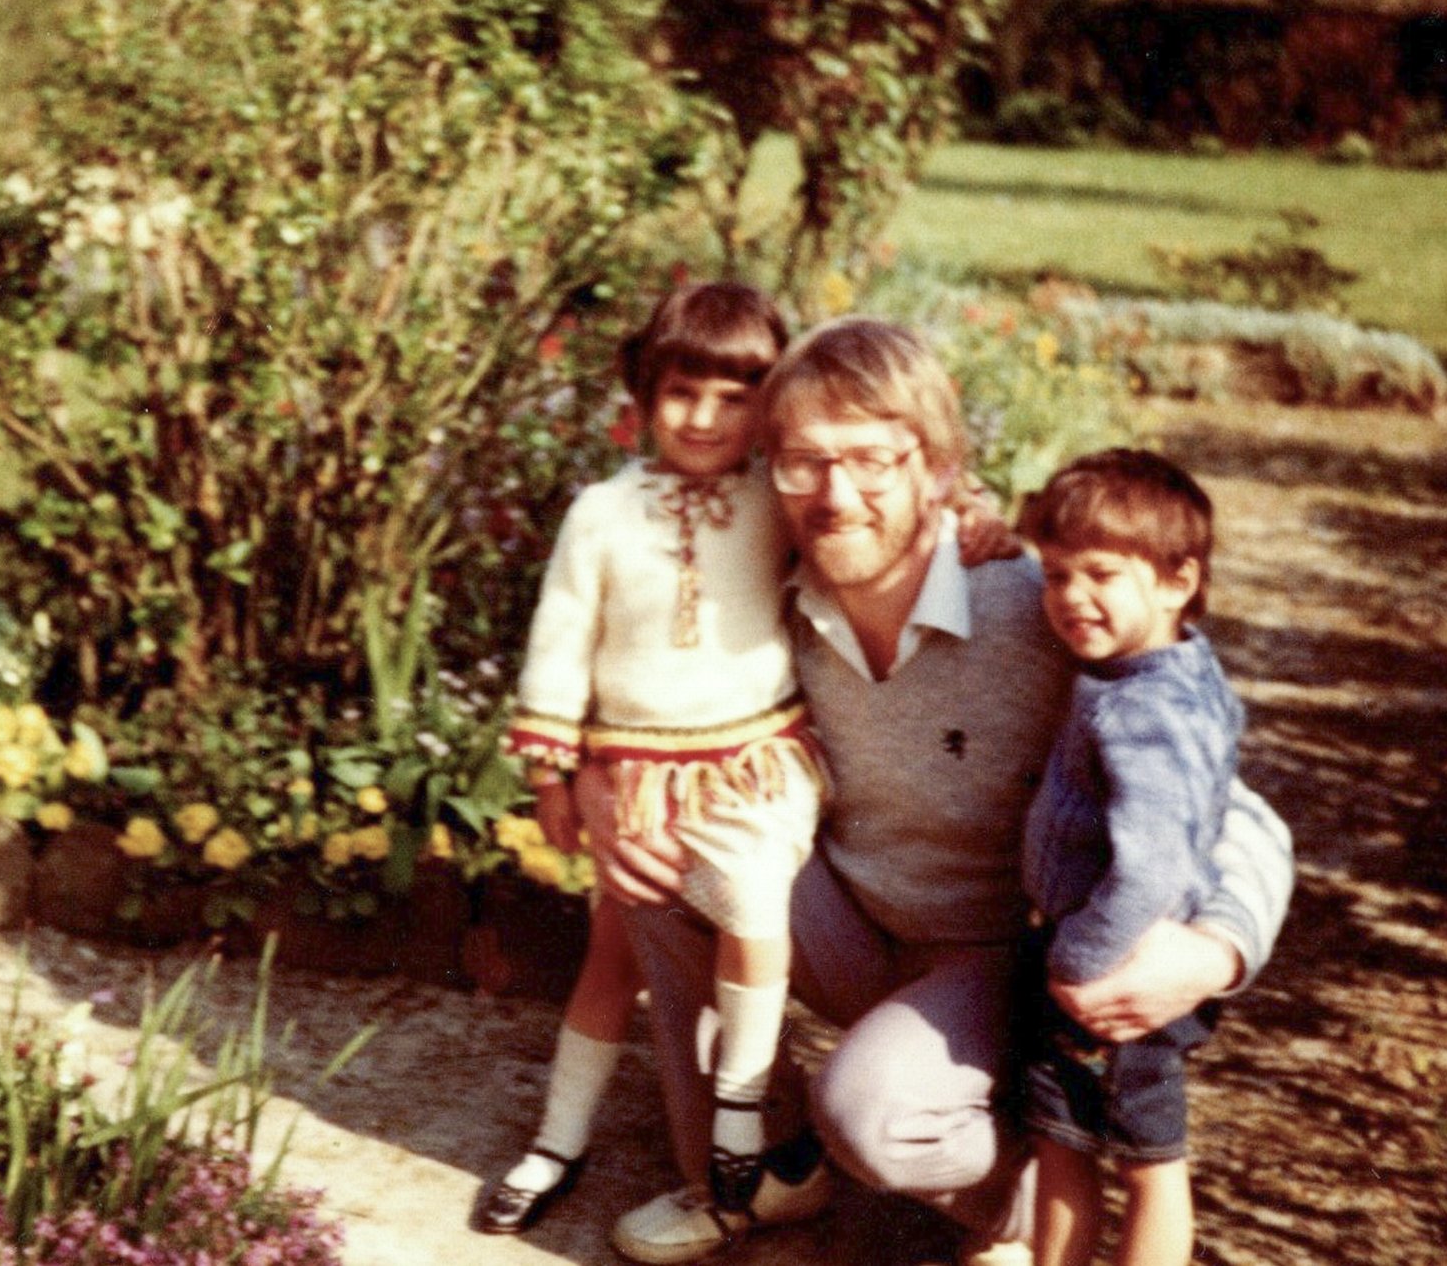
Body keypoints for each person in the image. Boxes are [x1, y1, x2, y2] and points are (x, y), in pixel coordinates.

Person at [583, 317, 1293, 1266]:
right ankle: (760, 1172)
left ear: (941, 469)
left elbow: (1225, 801)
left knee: (872, 1111)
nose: (836, 494)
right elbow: (633, 701)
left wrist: (1218, 947)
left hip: (1000, 962)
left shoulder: (1036, 612)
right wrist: (596, 786)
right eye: (804, 462)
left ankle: (1023, 1193)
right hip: (850, 918)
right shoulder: (768, 599)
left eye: (874, 460)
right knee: (667, 851)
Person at [474, 281, 821, 1236]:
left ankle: (739, 1114)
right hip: (637, 776)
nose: (705, 419)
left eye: (734, 397)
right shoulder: (603, 512)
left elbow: (864, 533)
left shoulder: (776, 497)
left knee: (750, 898)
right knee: (612, 952)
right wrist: (551, 773)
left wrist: (972, 514)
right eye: (681, 393)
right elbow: (561, 642)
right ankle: (557, 1139)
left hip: (751, 763)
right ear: (642, 393)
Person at [1014, 449, 1247, 1266]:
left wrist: (1078, 960)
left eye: (1102, 574)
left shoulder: (1144, 709)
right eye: (1055, 573)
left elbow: (1152, 864)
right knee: (1068, 1138)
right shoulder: (1175, 669)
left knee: (1142, 1161)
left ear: (1178, 581)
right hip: (1116, 953)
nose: (1071, 596)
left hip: (1116, 967)